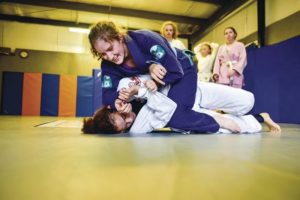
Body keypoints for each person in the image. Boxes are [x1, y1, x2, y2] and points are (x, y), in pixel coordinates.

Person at [88, 21, 254, 133]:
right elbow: (108, 94)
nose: (109, 56)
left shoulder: (145, 39)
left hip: (182, 70)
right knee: (175, 118)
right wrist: (116, 102)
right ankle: (216, 118)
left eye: (110, 48)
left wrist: (153, 77)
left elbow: (175, 70)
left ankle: (219, 123)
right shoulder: (108, 65)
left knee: (176, 117)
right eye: (103, 54)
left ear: (119, 37)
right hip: (156, 88)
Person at [82, 75, 281, 134]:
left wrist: (135, 92)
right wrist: (144, 93)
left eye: (122, 117)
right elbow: (168, 108)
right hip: (188, 113)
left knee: (248, 100)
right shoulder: (137, 129)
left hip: (195, 91)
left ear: (111, 108)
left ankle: (245, 112)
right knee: (234, 128)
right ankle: (261, 118)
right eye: (125, 126)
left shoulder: (124, 89)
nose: (129, 120)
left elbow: (153, 76)